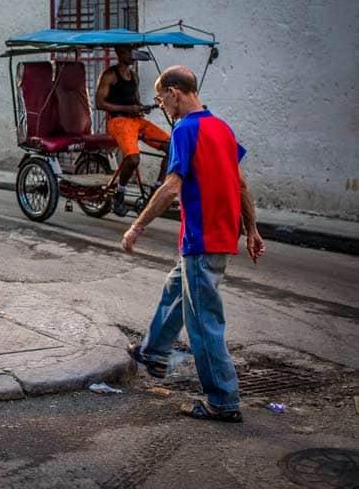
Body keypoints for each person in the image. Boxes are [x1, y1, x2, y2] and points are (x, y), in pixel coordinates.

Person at [121, 65, 265, 423]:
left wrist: (136, 227)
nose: (163, 107)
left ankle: (223, 400)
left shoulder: (186, 129)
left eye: (161, 99)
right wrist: (252, 229)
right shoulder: (222, 127)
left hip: (203, 239)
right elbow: (241, 185)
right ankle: (153, 351)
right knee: (175, 290)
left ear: (174, 92)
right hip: (215, 237)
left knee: (204, 324)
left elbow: (171, 187)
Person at [96, 45, 170, 216]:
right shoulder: (110, 75)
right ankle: (119, 194)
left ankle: (156, 191)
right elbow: (100, 103)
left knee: (172, 146)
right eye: (130, 51)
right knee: (133, 159)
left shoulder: (134, 76)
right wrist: (128, 108)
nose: (133, 54)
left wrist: (141, 108)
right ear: (120, 52)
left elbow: (135, 101)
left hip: (136, 120)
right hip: (118, 121)